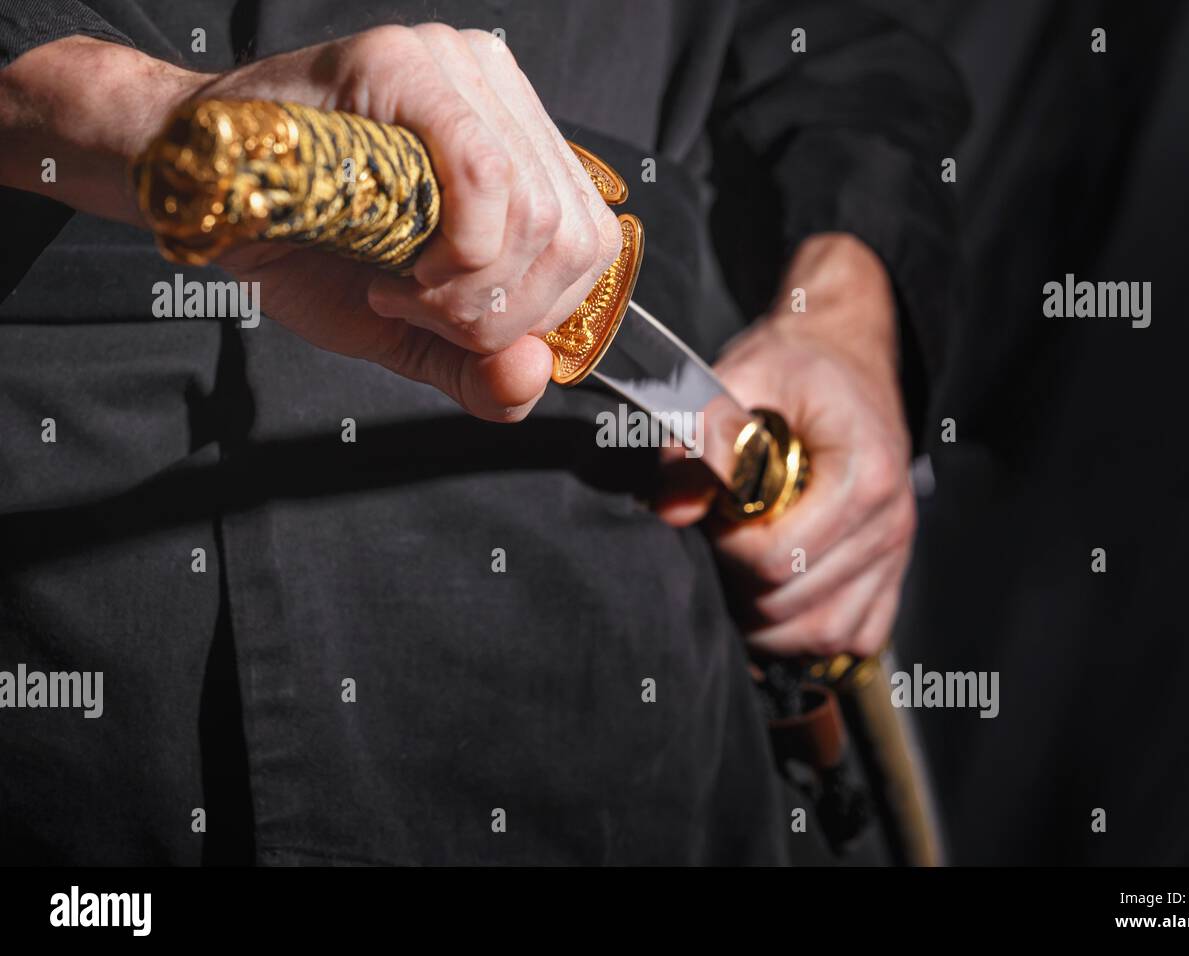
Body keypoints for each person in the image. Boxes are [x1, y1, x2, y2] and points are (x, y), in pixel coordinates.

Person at [0, 0, 966, 864]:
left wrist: (848, 317)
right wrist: (102, 104)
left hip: (616, 604)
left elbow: (843, 51)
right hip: (71, 577)